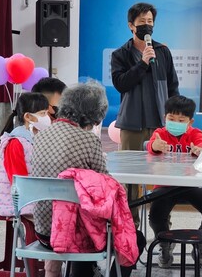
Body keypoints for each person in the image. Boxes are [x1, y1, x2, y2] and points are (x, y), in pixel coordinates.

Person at [31, 81, 140, 277]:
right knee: (135, 237)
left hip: (43, 232)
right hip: (72, 235)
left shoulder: (40, 136)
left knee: (81, 216)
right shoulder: (88, 140)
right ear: (95, 114)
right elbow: (105, 188)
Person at [111, 2, 180, 227]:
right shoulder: (120, 54)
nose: (147, 26)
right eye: (142, 22)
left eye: (150, 22)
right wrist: (142, 64)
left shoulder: (163, 51)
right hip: (132, 126)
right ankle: (131, 233)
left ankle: (162, 229)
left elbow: (172, 87)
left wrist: (176, 117)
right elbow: (121, 84)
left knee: (163, 181)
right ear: (131, 26)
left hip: (160, 126)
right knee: (129, 182)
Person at [146, 95, 202, 268]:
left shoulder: (195, 134)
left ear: (190, 121)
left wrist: (200, 150)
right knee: (156, 216)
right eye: (171, 119)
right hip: (165, 185)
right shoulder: (160, 133)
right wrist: (155, 146)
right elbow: (152, 145)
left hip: (190, 184)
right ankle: (164, 243)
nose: (175, 122)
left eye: (181, 120)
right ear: (165, 117)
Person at [0, 92, 49, 216]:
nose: (47, 118)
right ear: (28, 117)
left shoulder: (33, 138)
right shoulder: (15, 142)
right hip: (16, 201)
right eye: (43, 114)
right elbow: (18, 179)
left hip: (28, 196)